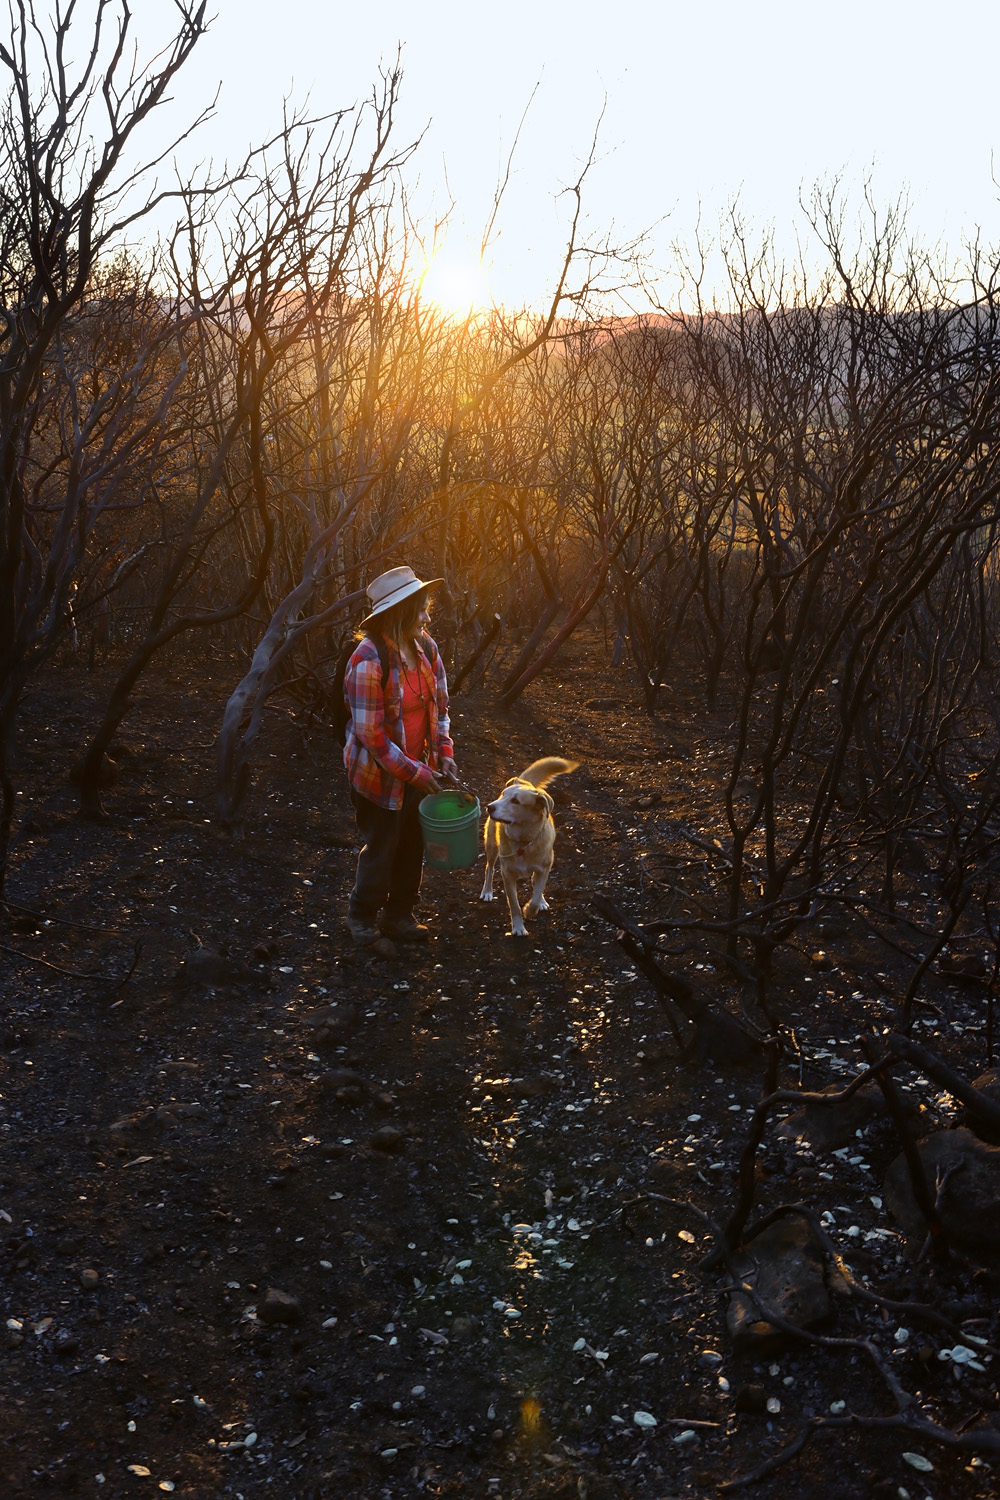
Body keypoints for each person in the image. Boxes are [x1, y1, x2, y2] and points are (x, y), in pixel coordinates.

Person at [342, 565, 459, 943]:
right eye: (421, 609)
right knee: (382, 846)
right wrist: (415, 773)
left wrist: (443, 752)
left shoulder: (425, 646)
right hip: (378, 775)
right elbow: (371, 736)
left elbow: (440, 706)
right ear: (399, 612)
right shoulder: (368, 659)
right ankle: (361, 916)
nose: (427, 617)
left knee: (413, 842)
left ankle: (400, 915)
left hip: (418, 767)